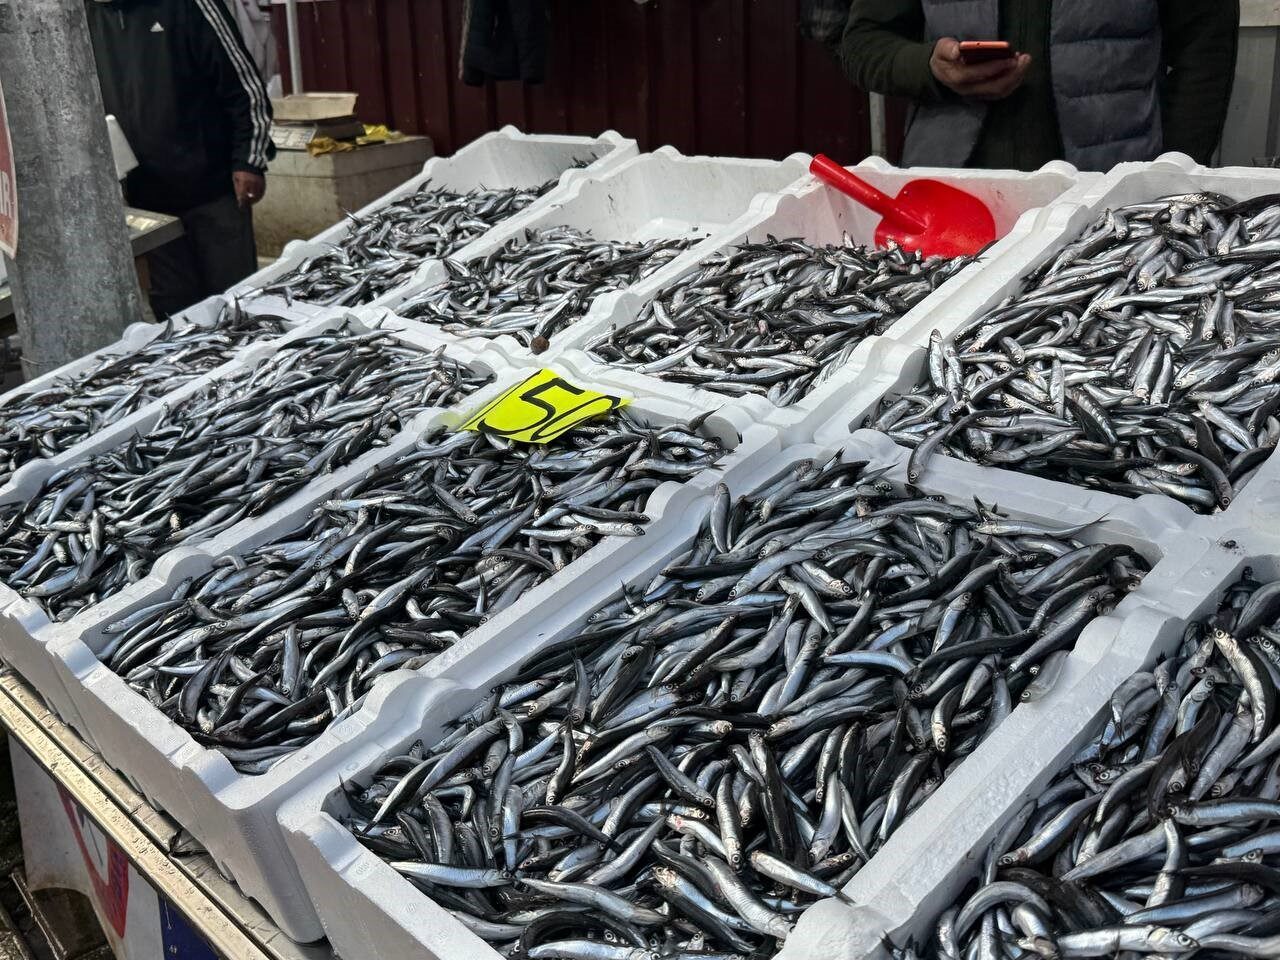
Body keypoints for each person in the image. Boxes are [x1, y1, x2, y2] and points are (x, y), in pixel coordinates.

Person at [837, 1, 1239, 172]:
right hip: (954, 194)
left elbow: (1206, 49)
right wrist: (928, 67)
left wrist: (1175, 172)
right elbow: (862, 42)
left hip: (1109, 192)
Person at [87, 0, 275, 318]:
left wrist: (249, 160)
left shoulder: (188, 6)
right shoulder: (86, 18)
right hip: (149, 209)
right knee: (175, 317)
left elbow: (245, 89)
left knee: (238, 307)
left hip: (214, 192)